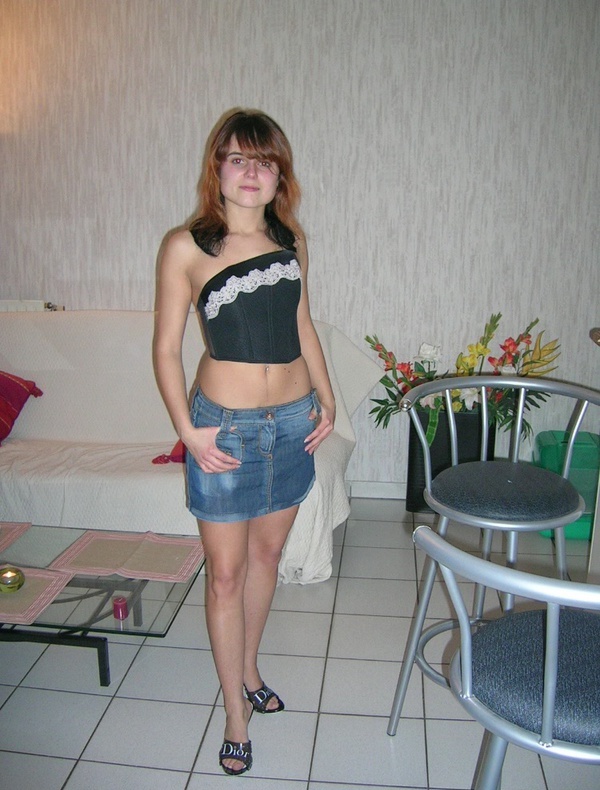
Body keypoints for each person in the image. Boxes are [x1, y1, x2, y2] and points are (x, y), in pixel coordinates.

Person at [153, 109, 335, 776]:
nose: (251, 172)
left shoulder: (292, 239)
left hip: (292, 422)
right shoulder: (186, 246)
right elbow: (165, 349)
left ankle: (250, 669)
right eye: (238, 158)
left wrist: (328, 398)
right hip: (223, 428)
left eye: (264, 160)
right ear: (218, 169)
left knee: (267, 556)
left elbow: (304, 325)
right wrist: (186, 430)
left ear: (280, 174)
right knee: (225, 573)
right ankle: (235, 713)